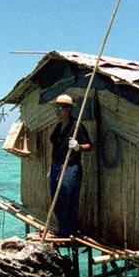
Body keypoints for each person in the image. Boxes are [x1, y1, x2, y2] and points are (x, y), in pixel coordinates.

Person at [48, 94, 92, 237]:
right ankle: (62, 227)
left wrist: (78, 146)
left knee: (68, 195)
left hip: (70, 166)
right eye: (56, 108)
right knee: (55, 196)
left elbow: (89, 145)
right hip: (56, 166)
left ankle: (68, 230)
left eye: (60, 108)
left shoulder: (77, 126)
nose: (57, 111)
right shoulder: (58, 127)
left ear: (68, 110)